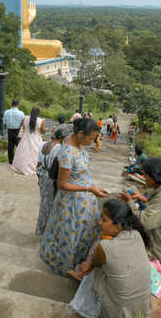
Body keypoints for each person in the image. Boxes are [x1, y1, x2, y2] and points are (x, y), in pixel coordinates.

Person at [40, 118, 108, 276]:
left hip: (84, 197)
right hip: (73, 203)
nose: (93, 142)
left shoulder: (73, 139)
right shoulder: (68, 153)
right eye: (91, 138)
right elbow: (62, 184)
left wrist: (91, 188)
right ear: (81, 134)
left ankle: (79, 263)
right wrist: (89, 188)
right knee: (71, 235)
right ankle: (67, 266)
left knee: (83, 233)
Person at [69, 199, 152, 318]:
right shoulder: (136, 234)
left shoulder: (105, 247)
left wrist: (85, 267)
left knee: (92, 272)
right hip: (141, 309)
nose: (99, 223)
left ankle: (82, 308)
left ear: (118, 227)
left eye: (104, 220)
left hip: (118, 312)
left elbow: (91, 266)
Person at [118, 157, 161, 264]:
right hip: (155, 240)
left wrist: (129, 201)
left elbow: (143, 222)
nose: (144, 178)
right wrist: (142, 198)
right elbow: (157, 207)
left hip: (154, 250)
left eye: (145, 175)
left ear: (153, 178)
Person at [36, 126, 70, 236]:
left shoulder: (43, 144)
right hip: (51, 179)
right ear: (63, 137)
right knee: (51, 206)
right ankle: (48, 232)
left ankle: (41, 229)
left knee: (44, 204)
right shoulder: (60, 148)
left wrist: (39, 179)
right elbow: (57, 169)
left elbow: (39, 164)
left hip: (42, 176)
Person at [12, 107, 46, 176]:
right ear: (38, 113)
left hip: (26, 138)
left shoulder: (25, 118)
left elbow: (23, 128)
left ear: (31, 112)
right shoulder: (41, 121)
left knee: (24, 153)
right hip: (36, 139)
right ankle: (33, 168)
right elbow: (43, 132)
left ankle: (21, 167)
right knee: (35, 154)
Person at [3, 99, 25, 164]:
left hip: (10, 130)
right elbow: (23, 122)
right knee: (19, 146)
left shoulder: (6, 112)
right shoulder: (21, 113)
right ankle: (19, 161)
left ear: (11, 104)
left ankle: (11, 161)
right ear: (18, 105)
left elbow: (4, 122)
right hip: (18, 131)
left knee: (10, 147)